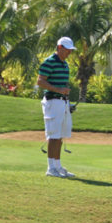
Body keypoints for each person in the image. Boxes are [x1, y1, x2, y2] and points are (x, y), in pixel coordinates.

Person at [37, 37, 76, 178]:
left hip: (62, 102)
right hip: (52, 101)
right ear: (59, 47)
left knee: (59, 137)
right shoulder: (49, 62)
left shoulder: (65, 64)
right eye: (67, 50)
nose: (69, 53)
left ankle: (58, 166)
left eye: (70, 50)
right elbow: (40, 81)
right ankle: (50, 168)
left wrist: (67, 102)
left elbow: (62, 86)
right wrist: (58, 90)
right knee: (53, 136)